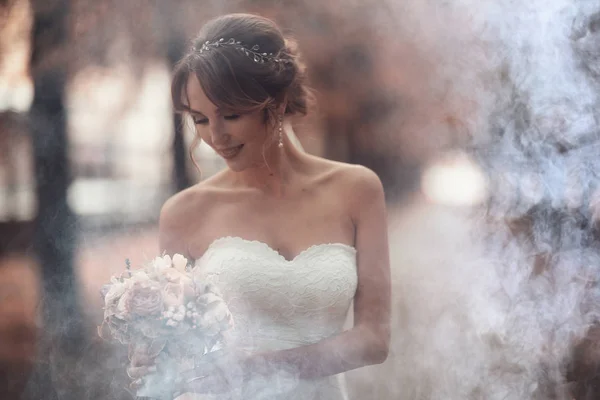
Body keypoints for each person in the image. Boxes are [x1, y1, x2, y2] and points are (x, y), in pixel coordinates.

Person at [131, 12, 391, 399]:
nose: (215, 136)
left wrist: (261, 369)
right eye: (200, 119)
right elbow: (177, 344)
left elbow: (374, 339)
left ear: (278, 100)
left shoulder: (357, 190)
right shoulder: (184, 212)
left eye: (231, 115)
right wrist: (152, 355)